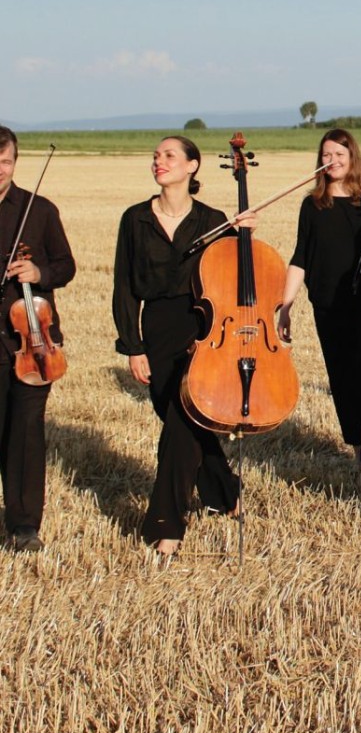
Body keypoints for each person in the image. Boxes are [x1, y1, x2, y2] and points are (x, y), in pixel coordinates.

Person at [113, 135, 252, 555]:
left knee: (181, 421)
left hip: (202, 329)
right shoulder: (134, 219)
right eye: (155, 156)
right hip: (155, 328)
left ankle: (165, 524)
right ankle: (226, 491)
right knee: (187, 420)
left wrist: (242, 237)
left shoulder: (214, 219)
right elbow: (123, 289)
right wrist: (133, 346)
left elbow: (233, 281)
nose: (159, 162)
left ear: (192, 166)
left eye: (169, 156)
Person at [278, 129, 361, 464]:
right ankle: (355, 440)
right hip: (328, 302)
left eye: (339, 155)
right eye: (326, 155)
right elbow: (300, 257)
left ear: (352, 158)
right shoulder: (313, 204)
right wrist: (285, 307)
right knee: (341, 373)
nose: (331, 161)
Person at [0, 127, 76, 552]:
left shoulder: (39, 210)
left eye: (6, 161)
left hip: (33, 343)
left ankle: (24, 525)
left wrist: (39, 274)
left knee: (27, 435)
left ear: (15, 161)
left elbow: (65, 266)